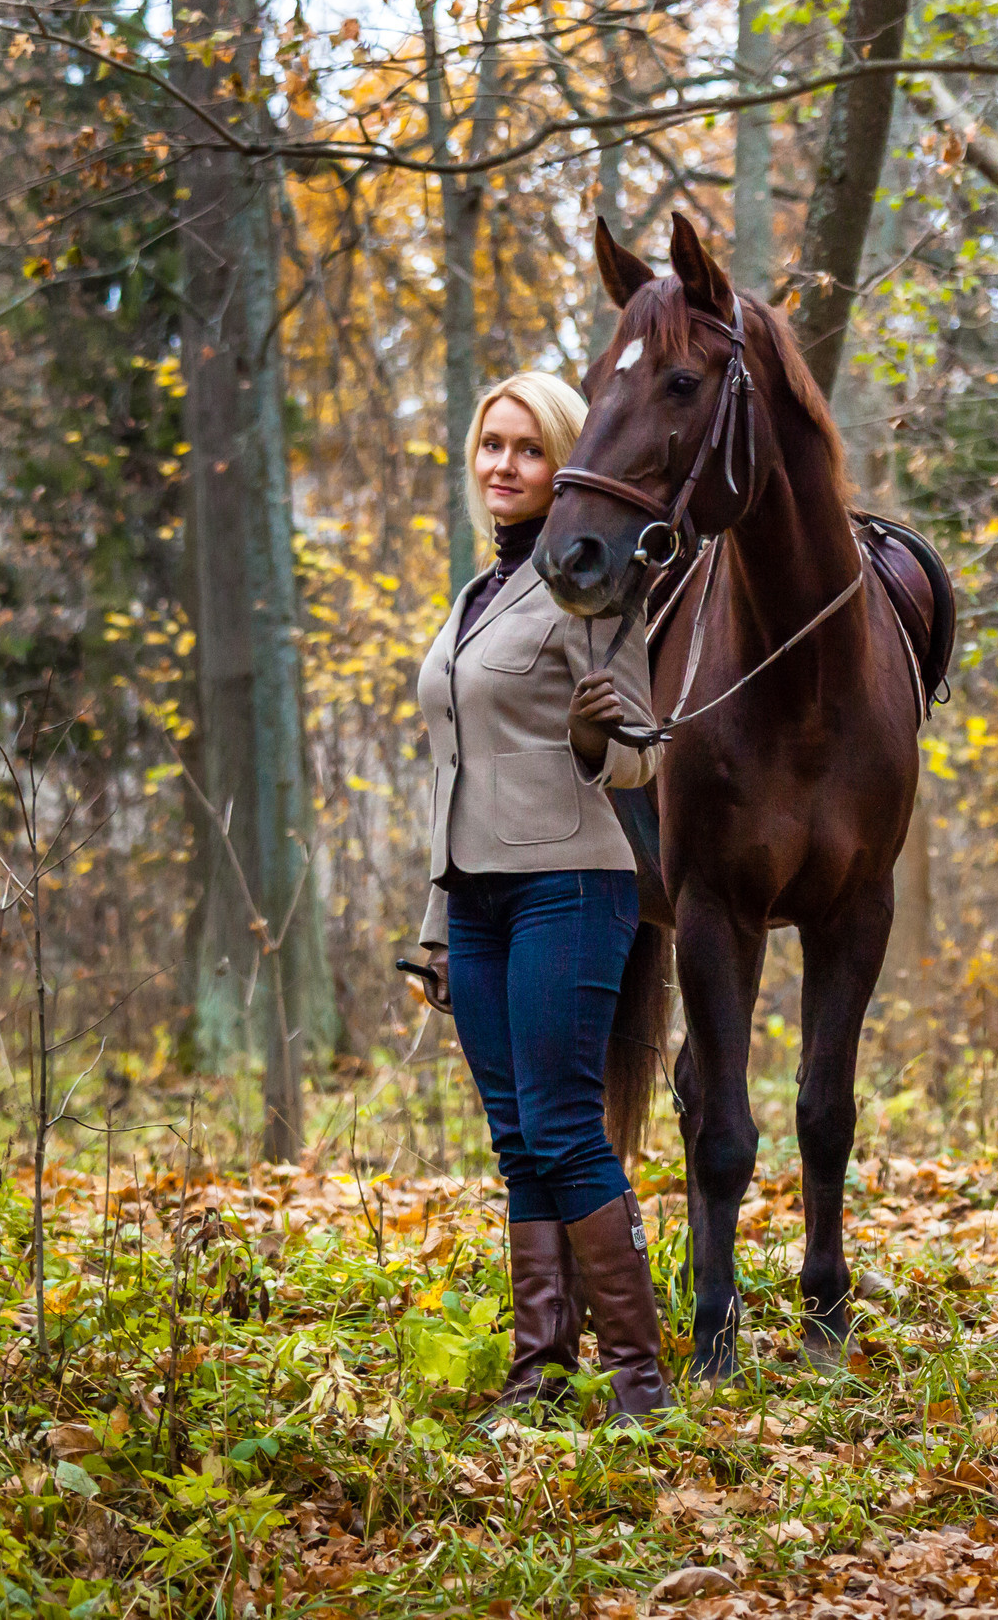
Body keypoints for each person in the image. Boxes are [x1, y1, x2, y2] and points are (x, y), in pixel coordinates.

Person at [411, 370, 671, 1421]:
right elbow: (452, 772)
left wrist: (592, 739)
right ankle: (538, 1369)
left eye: (526, 448)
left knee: (565, 1128)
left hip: (570, 880)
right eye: (490, 446)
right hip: (472, 897)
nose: (502, 465)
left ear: (561, 465)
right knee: (515, 1135)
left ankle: (638, 1377)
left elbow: (645, 755)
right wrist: (432, 931)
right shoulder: (474, 596)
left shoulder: (589, 587)